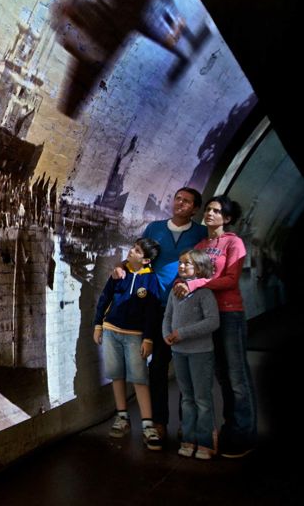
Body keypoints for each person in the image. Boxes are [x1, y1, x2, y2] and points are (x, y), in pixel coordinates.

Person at [114, 187, 207, 442]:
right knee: (157, 366)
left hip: (187, 307)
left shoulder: (201, 233)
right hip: (156, 306)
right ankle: (159, 422)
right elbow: (140, 257)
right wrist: (122, 268)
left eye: (187, 201)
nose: (180, 203)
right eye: (178, 198)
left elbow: (206, 267)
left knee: (186, 367)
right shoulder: (155, 228)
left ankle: (187, 424)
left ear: (195, 209)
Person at [172, 195, 257, 458]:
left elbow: (230, 279)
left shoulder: (234, 242)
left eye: (216, 211)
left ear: (227, 218)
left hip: (229, 314)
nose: (209, 213)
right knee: (219, 374)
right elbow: (188, 273)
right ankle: (212, 431)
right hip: (203, 316)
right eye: (208, 209)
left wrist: (196, 284)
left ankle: (242, 434)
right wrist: (181, 284)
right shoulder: (200, 245)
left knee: (236, 377)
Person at [94, 237, 163, 450]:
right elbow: (105, 298)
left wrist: (148, 338)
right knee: (116, 375)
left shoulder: (151, 280)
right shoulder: (119, 273)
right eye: (133, 248)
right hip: (112, 331)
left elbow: (152, 312)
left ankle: (148, 424)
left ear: (146, 260)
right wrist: (98, 325)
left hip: (135, 335)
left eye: (137, 251)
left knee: (139, 378)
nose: (132, 251)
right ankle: (122, 416)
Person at [163, 249, 219, 460]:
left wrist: (183, 333)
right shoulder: (174, 291)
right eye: (180, 262)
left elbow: (212, 321)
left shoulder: (204, 293)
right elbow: (167, 316)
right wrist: (166, 335)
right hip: (179, 352)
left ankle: (205, 442)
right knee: (186, 397)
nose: (182, 266)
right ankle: (188, 438)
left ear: (200, 267)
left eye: (187, 263)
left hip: (200, 352)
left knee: (202, 398)